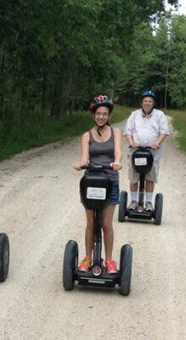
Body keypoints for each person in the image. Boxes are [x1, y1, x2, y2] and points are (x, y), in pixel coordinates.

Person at [73, 95, 122, 274]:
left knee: (107, 224)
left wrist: (117, 162)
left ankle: (109, 259)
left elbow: (118, 153)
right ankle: (87, 257)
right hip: (92, 181)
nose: (101, 117)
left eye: (105, 114)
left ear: (109, 116)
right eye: (98, 114)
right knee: (91, 223)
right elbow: (85, 157)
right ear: (93, 115)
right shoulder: (86, 135)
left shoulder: (115, 132)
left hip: (110, 181)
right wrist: (80, 163)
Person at [124, 90, 170, 211]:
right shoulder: (134, 115)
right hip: (136, 152)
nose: (147, 103)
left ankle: (149, 202)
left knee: (150, 177)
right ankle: (134, 201)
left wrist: (157, 143)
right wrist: (131, 143)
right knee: (134, 177)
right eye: (145, 101)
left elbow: (164, 132)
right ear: (141, 102)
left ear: (153, 103)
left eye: (150, 101)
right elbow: (128, 132)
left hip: (153, 153)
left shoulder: (160, 115)